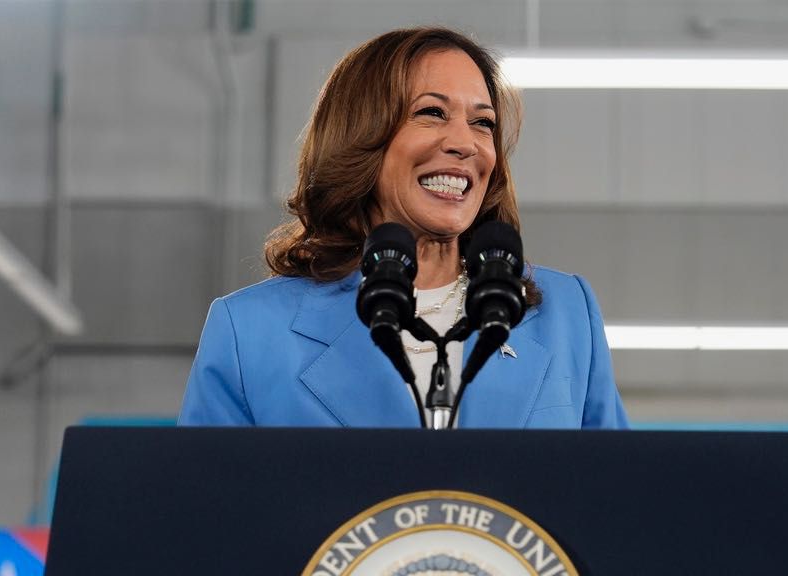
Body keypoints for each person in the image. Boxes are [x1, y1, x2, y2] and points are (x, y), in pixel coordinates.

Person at [178, 27, 628, 429]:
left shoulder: (567, 314)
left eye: (483, 122)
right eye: (431, 113)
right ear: (359, 138)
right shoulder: (249, 332)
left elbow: (617, 500)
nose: (464, 143)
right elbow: (206, 511)